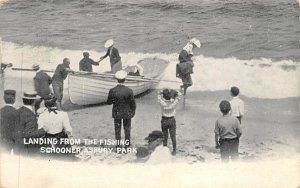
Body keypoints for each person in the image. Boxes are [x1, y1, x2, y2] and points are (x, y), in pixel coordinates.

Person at [107, 70, 136, 149]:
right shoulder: (129, 90)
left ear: (117, 79)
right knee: (127, 130)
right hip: (127, 113)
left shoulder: (112, 90)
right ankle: (127, 146)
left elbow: (109, 102)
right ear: (124, 79)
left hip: (117, 113)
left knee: (117, 130)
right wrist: (133, 112)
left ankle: (118, 146)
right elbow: (133, 104)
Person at [14, 92, 46, 157]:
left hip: (17, 146)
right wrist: (42, 130)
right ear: (34, 101)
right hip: (26, 150)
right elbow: (29, 134)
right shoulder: (30, 115)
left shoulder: (17, 111)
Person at [157, 89, 181, 155]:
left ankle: (165, 150)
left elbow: (158, 95)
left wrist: (161, 92)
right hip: (172, 120)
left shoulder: (162, 102)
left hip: (164, 120)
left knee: (165, 136)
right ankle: (174, 150)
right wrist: (175, 92)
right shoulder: (174, 103)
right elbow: (179, 96)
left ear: (164, 96)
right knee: (173, 136)